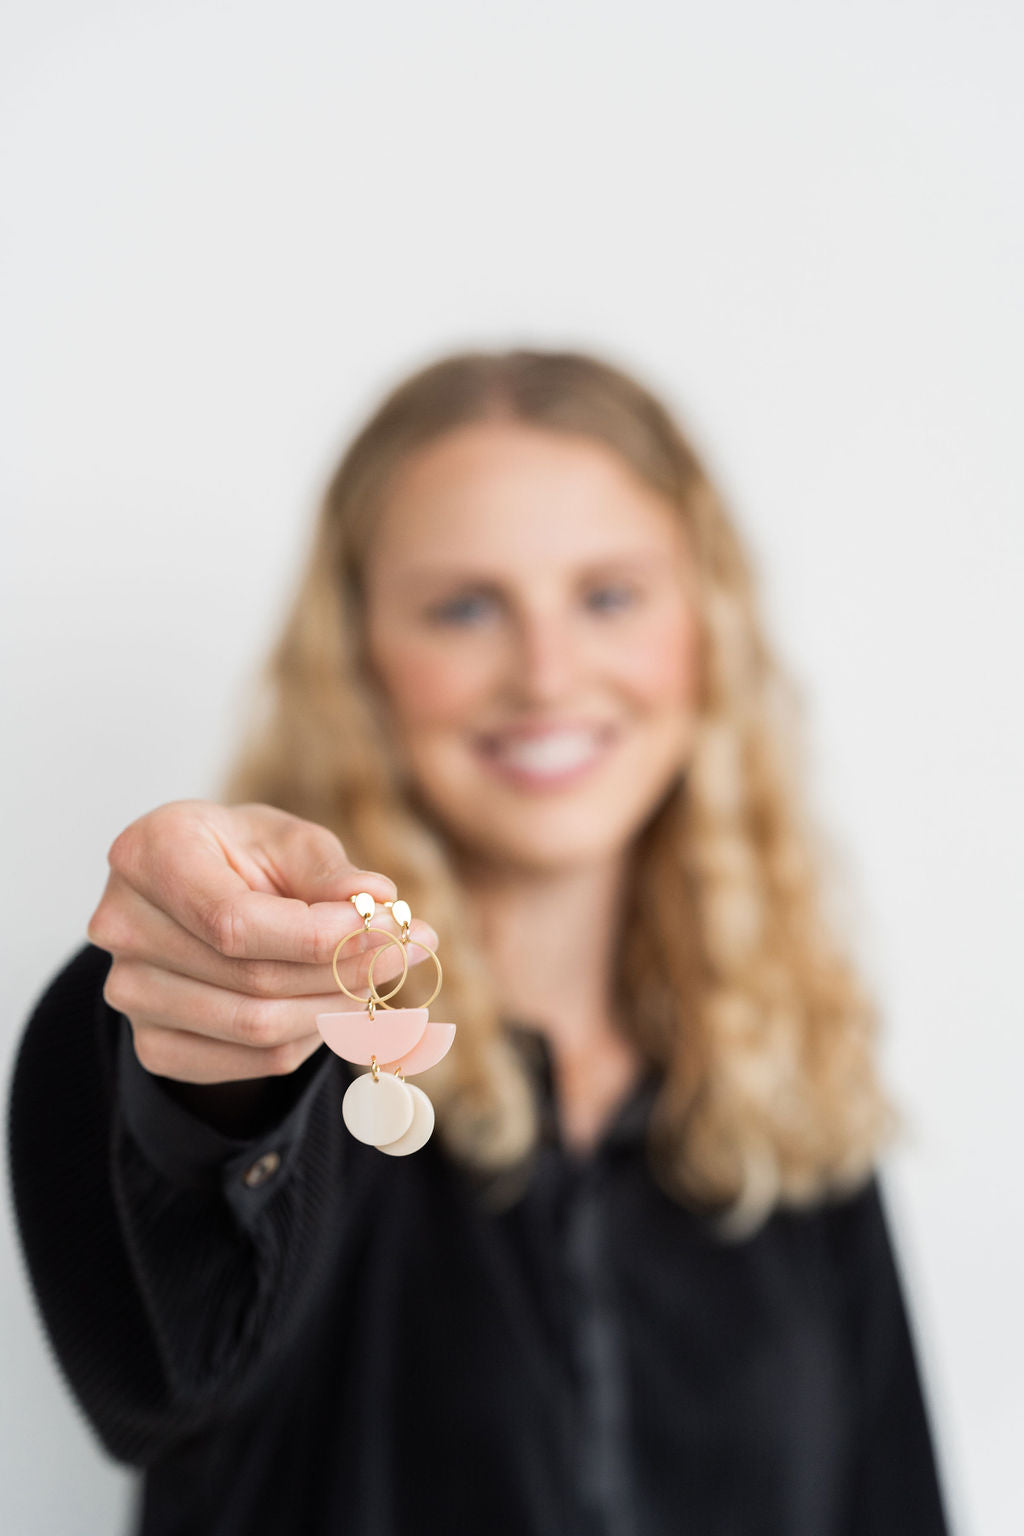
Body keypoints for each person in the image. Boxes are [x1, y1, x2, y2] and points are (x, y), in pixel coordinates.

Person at [8, 349, 951, 1535]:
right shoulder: (288, 1065)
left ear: (704, 632)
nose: (547, 673)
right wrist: (194, 1028)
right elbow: (165, 1322)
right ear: (357, 659)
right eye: (464, 607)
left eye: (608, 596)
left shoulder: (781, 1100)